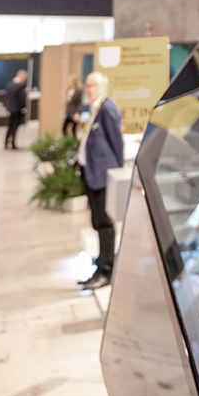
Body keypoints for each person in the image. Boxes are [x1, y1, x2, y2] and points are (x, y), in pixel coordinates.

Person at [77, 72, 124, 291]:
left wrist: (118, 169)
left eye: (94, 85)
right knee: (97, 222)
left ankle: (106, 270)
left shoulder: (107, 108)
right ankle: (101, 263)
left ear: (104, 86)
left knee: (105, 224)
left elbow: (117, 142)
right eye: (88, 85)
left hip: (103, 176)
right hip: (91, 174)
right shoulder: (95, 108)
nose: (90, 90)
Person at [4, 69, 27, 149]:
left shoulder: (9, 84)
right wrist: (24, 107)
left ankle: (6, 142)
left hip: (10, 108)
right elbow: (21, 99)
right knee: (15, 127)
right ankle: (13, 143)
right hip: (17, 110)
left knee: (10, 126)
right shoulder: (20, 86)